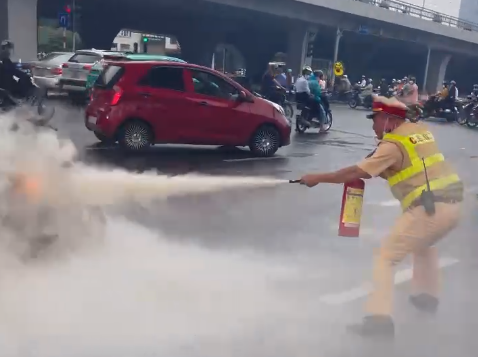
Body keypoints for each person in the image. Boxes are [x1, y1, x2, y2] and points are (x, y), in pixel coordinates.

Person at [299, 95, 463, 337]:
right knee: (424, 244)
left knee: (385, 257)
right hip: (452, 207)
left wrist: (317, 177)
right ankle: (427, 297)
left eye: (374, 120)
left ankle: (379, 320)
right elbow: (409, 164)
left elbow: (358, 170)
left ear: (388, 120)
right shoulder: (417, 131)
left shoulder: (392, 145)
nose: (372, 126)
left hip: (430, 209)